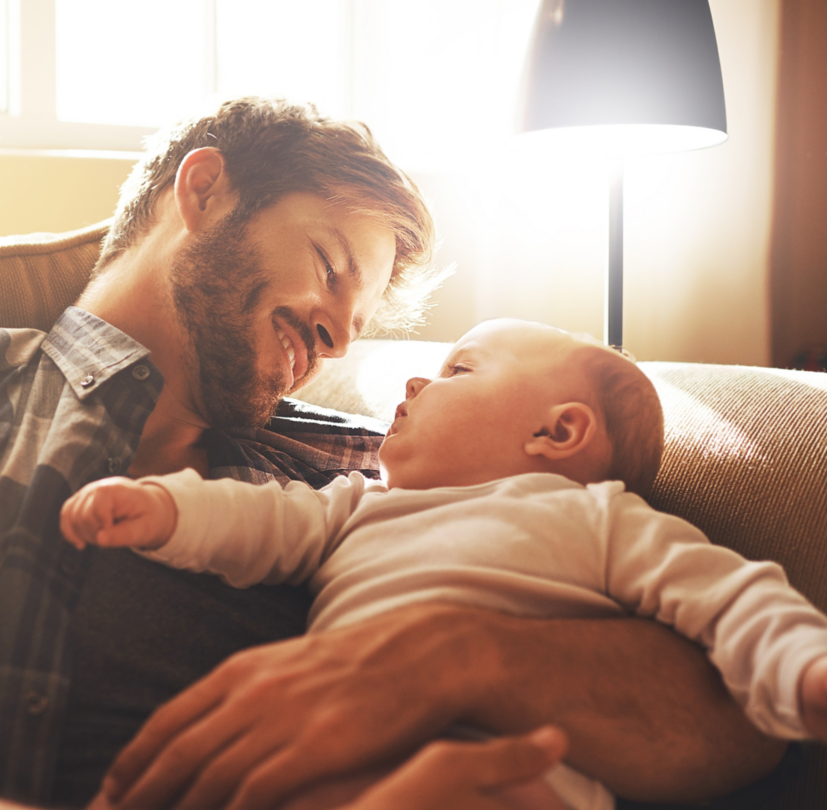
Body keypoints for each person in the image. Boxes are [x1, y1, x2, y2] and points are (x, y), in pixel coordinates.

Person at [0, 97, 786, 810]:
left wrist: (456, 659)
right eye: (332, 265)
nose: (342, 332)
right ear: (204, 191)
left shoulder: (367, 477)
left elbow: (736, 725)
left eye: (360, 316)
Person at [60, 317, 827, 810]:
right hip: (343, 752)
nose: (417, 381)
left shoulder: (597, 520)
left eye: (460, 371)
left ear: (558, 434)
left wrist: (803, 666)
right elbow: (261, 520)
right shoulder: (356, 505)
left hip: (512, 777)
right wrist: (163, 509)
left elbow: (729, 598)